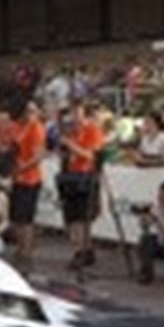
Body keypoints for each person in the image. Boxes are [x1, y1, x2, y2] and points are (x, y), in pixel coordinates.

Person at [56, 100, 104, 270]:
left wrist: (71, 146)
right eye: (73, 114)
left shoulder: (92, 130)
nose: (75, 118)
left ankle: (82, 251)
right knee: (72, 218)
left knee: (82, 219)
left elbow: (91, 155)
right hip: (70, 176)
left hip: (85, 176)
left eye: (78, 113)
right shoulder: (71, 132)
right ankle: (82, 250)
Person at [8, 98, 46, 271]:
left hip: (30, 178)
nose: (30, 114)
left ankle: (26, 253)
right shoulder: (17, 126)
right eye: (27, 110)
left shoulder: (36, 128)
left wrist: (22, 167)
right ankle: (19, 249)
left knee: (26, 219)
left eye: (33, 111)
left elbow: (38, 155)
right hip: (17, 178)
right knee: (16, 217)